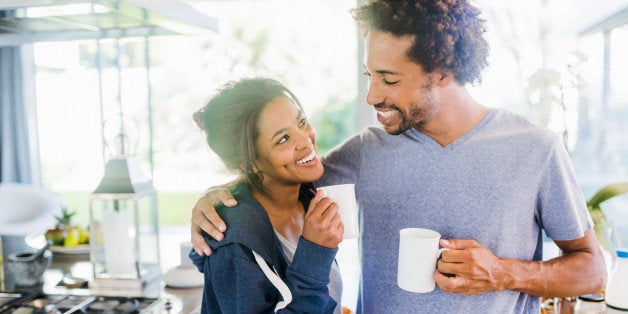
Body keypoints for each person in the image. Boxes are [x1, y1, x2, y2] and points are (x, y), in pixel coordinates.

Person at [190, 1, 607, 313]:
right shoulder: (365, 152)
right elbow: (278, 181)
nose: (373, 96)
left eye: (389, 79)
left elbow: (592, 268)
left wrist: (504, 272)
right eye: (370, 76)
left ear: (442, 71)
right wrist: (219, 195)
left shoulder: (535, 148)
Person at [188, 77, 344, 313]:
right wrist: (315, 253)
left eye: (301, 122)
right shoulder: (233, 243)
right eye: (283, 139)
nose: (306, 140)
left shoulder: (308, 198)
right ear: (247, 162)